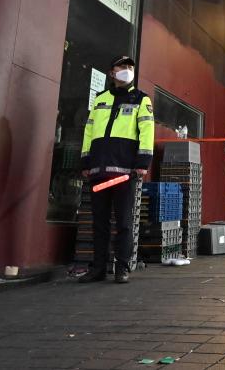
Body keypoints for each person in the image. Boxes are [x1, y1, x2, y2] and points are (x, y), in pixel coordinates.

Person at [79, 56, 154, 283]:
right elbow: (89, 131)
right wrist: (85, 162)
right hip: (99, 171)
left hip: (125, 172)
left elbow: (147, 130)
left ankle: (122, 268)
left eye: (130, 67)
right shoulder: (100, 99)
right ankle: (98, 268)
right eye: (122, 67)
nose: (127, 70)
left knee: (123, 222)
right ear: (112, 72)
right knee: (99, 223)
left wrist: (142, 163)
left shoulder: (141, 99)